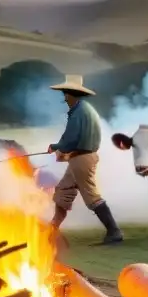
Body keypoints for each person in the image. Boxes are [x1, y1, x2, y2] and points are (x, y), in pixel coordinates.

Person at [46, 75, 123, 245]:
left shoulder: (79, 113)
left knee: (91, 196)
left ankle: (114, 231)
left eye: (66, 93)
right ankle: (52, 229)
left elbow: (71, 139)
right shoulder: (84, 110)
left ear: (71, 94)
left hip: (82, 159)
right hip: (79, 157)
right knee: (63, 191)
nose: (64, 97)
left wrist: (56, 146)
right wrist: (61, 148)